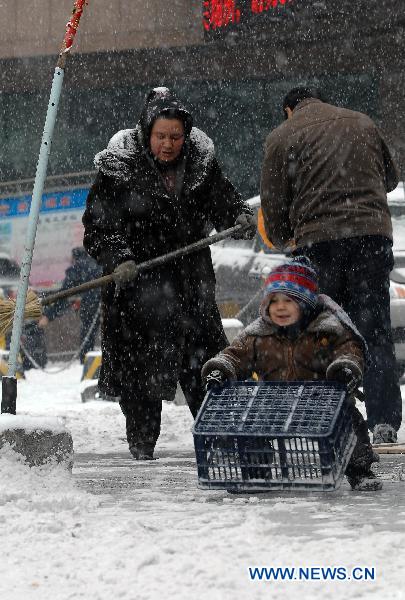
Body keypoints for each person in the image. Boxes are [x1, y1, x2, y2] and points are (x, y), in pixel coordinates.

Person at [82, 87, 256, 460]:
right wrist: (119, 259)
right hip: (138, 291)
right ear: (147, 132)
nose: (168, 144)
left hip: (190, 284)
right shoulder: (120, 165)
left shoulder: (199, 163)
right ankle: (142, 446)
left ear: (186, 135)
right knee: (142, 376)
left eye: (175, 137)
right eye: (161, 136)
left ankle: (222, 441)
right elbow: (98, 227)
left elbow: (222, 198)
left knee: (204, 366)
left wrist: (238, 216)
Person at [260, 86, 402, 444]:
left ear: (288, 110)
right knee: (374, 330)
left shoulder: (282, 137)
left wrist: (284, 236)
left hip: (319, 244)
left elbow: (274, 207)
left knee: (325, 334)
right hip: (370, 238)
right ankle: (383, 420)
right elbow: (391, 179)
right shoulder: (362, 122)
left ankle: (333, 419)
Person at [202, 257, 382, 491]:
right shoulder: (258, 335)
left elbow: (349, 348)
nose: (280, 306)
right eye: (273, 300)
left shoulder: (327, 329)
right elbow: (235, 354)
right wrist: (221, 369)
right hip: (274, 402)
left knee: (348, 421)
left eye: (289, 300)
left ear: (305, 302)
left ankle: (359, 468)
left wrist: (345, 367)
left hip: (322, 401)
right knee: (250, 423)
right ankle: (257, 470)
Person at [38, 247, 102, 364]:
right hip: (107, 303)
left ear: (73, 258)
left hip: (91, 304)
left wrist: (48, 315)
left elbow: (64, 295)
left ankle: (86, 361)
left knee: (87, 334)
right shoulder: (97, 264)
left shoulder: (76, 269)